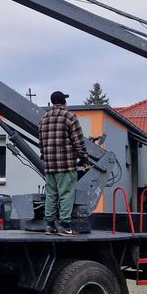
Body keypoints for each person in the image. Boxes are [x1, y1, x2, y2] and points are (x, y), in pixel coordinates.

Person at [38, 91, 88, 236]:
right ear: (63, 102)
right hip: (66, 165)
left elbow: (41, 143)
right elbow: (78, 141)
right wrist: (84, 158)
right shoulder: (70, 117)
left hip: (49, 166)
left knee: (51, 195)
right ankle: (64, 226)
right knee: (66, 194)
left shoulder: (43, 119)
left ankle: (50, 226)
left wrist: (46, 157)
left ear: (53, 102)